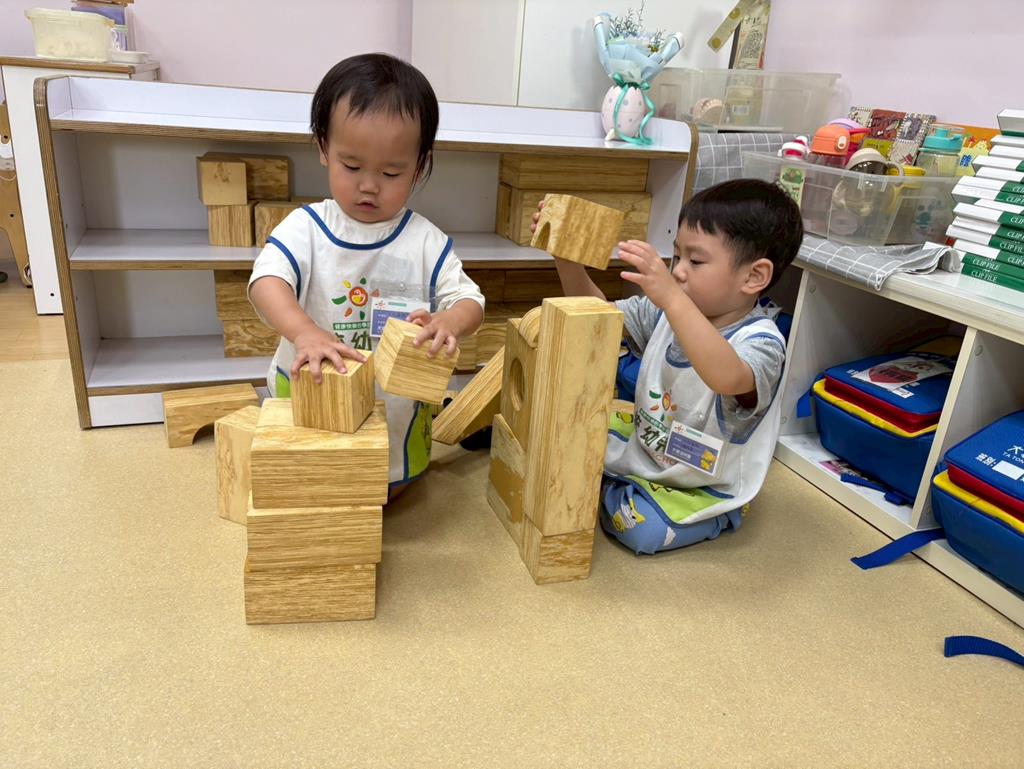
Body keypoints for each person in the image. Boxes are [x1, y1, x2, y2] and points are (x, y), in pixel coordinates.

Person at [249, 53, 484, 493]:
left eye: (391, 172)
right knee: (310, 478)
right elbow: (267, 282)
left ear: (419, 167)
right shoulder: (306, 228)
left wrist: (449, 321)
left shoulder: (425, 241)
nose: (369, 185)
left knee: (384, 487)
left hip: (392, 411)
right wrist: (304, 332)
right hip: (316, 392)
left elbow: (470, 301)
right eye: (352, 166)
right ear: (324, 148)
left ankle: (390, 482)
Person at [538, 179, 803, 553]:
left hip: (701, 482)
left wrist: (673, 301)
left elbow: (727, 376)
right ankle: (617, 482)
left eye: (696, 261)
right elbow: (597, 320)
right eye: (677, 256)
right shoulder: (667, 311)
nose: (677, 271)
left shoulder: (762, 342)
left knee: (640, 530)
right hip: (651, 447)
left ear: (754, 276)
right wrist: (566, 259)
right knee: (566, 432)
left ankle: (704, 511)